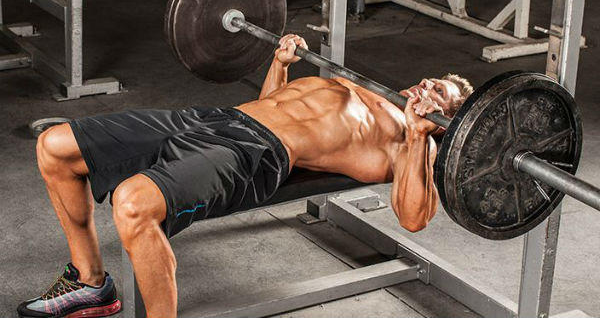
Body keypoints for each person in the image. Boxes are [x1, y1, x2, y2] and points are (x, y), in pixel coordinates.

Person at [18, 34, 473, 318]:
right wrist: (279, 64)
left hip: (254, 154)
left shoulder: (410, 142)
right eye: (432, 81)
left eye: (439, 95)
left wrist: (418, 135)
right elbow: (269, 106)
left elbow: (414, 217)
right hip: (218, 119)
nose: (426, 88)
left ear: (445, 117)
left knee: (134, 204)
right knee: (55, 146)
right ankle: (91, 283)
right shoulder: (359, 88)